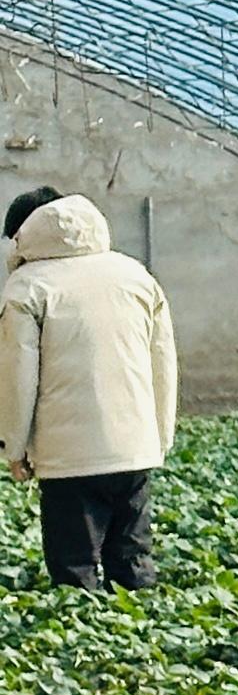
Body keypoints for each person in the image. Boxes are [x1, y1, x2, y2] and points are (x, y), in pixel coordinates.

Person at [0, 190, 178, 595]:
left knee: (75, 569)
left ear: (23, 235)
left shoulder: (27, 287)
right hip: (134, 449)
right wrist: (159, 437)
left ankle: (90, 639)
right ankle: (142, 642)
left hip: (68, 459)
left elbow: (16, 376)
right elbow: (163, 364)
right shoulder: (135, 275)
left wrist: (14, 448)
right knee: (132, 560)